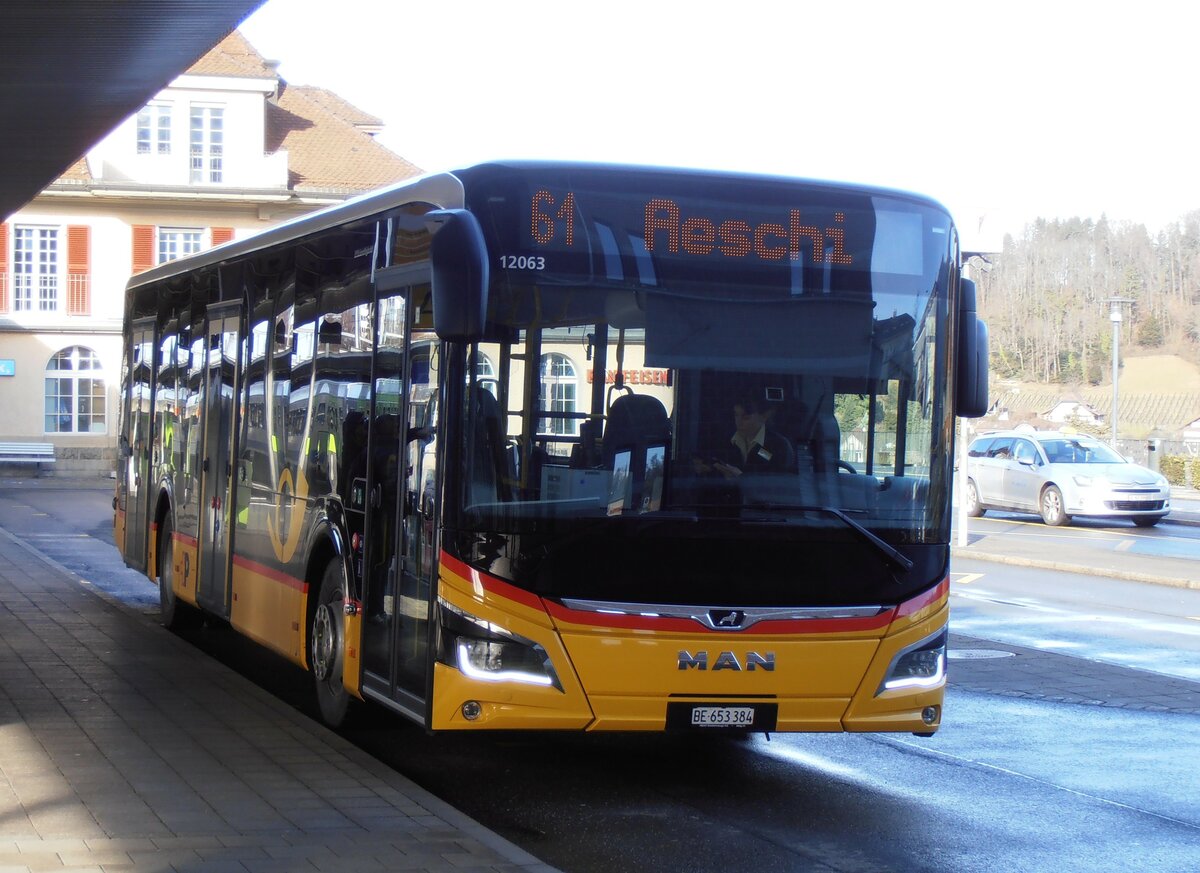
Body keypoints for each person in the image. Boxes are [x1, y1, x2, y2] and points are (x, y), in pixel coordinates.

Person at [696, 396, 796, 478]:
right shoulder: (724, 440)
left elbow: (779, 487)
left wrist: (741, 478)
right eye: (736, 415)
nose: (738, 422)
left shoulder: (779, 446)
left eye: (746, 417)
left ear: (764, 416)